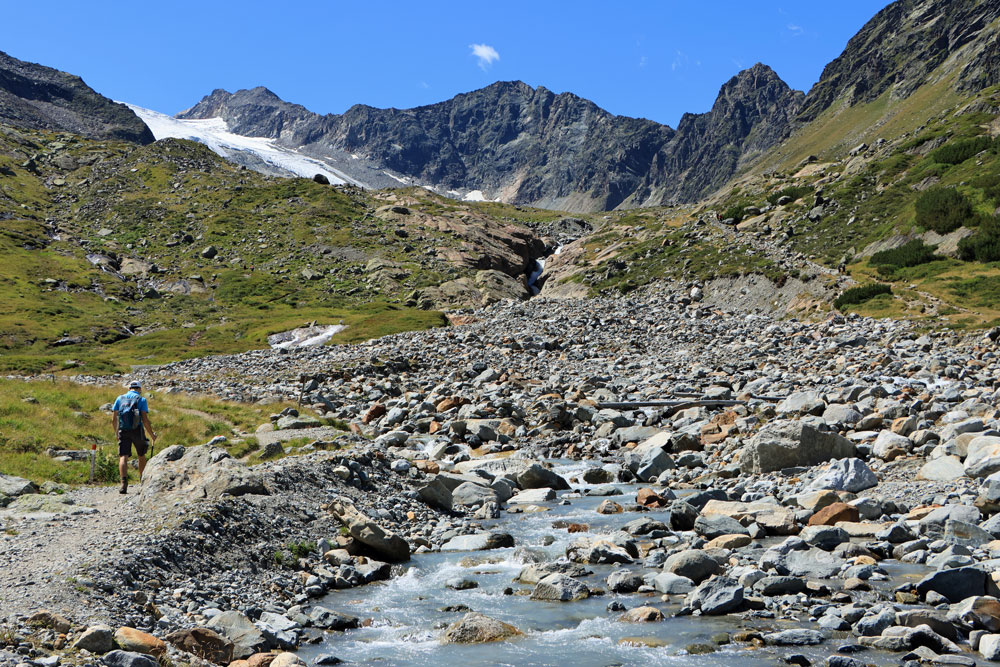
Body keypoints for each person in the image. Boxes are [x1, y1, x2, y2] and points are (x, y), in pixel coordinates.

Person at [111, 380, 157, 494]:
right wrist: (152, 435)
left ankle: (123, 484)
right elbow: (145, 420)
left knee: (123, 457)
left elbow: (114, 419)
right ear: (139, 389)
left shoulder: (120, 398)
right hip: (137, 431)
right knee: (141, 455)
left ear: (129, 388)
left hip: (123, 430)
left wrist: (117, 433)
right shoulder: (141, 400)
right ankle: (142, 481)